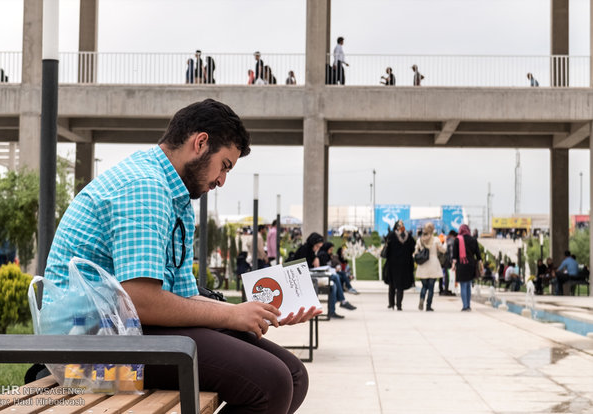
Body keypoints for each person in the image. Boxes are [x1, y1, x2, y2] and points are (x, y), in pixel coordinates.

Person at [44, 99, 320, 413]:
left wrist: (255, 312)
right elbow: (140, 301)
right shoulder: (145, 187)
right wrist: (230, 315)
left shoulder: (173, 195)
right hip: (90, 349)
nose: (221, 180)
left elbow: (183, 296)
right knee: (272, 382)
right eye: (224, 165)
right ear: (200, 143)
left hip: (123, 330)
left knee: (294, 375)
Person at [294, 234, 355, 319]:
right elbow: (304, 267)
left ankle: (332, 311)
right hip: (304, 278)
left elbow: (315, 265)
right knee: (335, 277)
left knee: (333, 285)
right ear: (313, 244)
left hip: (311, 275)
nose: (318, 249)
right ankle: (342, 301)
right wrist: (315, 260)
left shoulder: (311, 251)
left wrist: (315, 258)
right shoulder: (304, 250)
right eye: (317, 246)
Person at [383, 220, 415, 310]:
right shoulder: (408, 237)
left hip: (392, 264)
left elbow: (387, 249)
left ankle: (391, 304)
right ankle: (399, 305)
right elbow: (413, 248)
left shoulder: (391, 235)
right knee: (400, 285)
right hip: (404, 264)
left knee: (392, 284)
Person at [414, 222, 446, 312]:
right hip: (433, 264)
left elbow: (416, 252)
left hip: (423, 264)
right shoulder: (436, 240)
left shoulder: (420, 240)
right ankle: (428, 306)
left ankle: (422, 298)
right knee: (431, 287)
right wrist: (445, 244)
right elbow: (443, 250)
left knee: (424, 286)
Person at [452, 224, 480, 311]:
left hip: (461, 264)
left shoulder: (457, 240)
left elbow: (455, 255)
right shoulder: (473, 240)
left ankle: (465, 306)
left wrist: (453, 265)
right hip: (471, 264)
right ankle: (468, 305)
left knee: (463, 285)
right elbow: (478, 254)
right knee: (468, 285)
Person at [439, 230, 457, 296]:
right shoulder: (452, 241)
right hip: (448, 261)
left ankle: (444, 290)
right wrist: (453, 262)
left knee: (445, 275)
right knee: (449, 276)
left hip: (444, 260)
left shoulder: (446, 239)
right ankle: (447, 291)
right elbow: (452, 253)